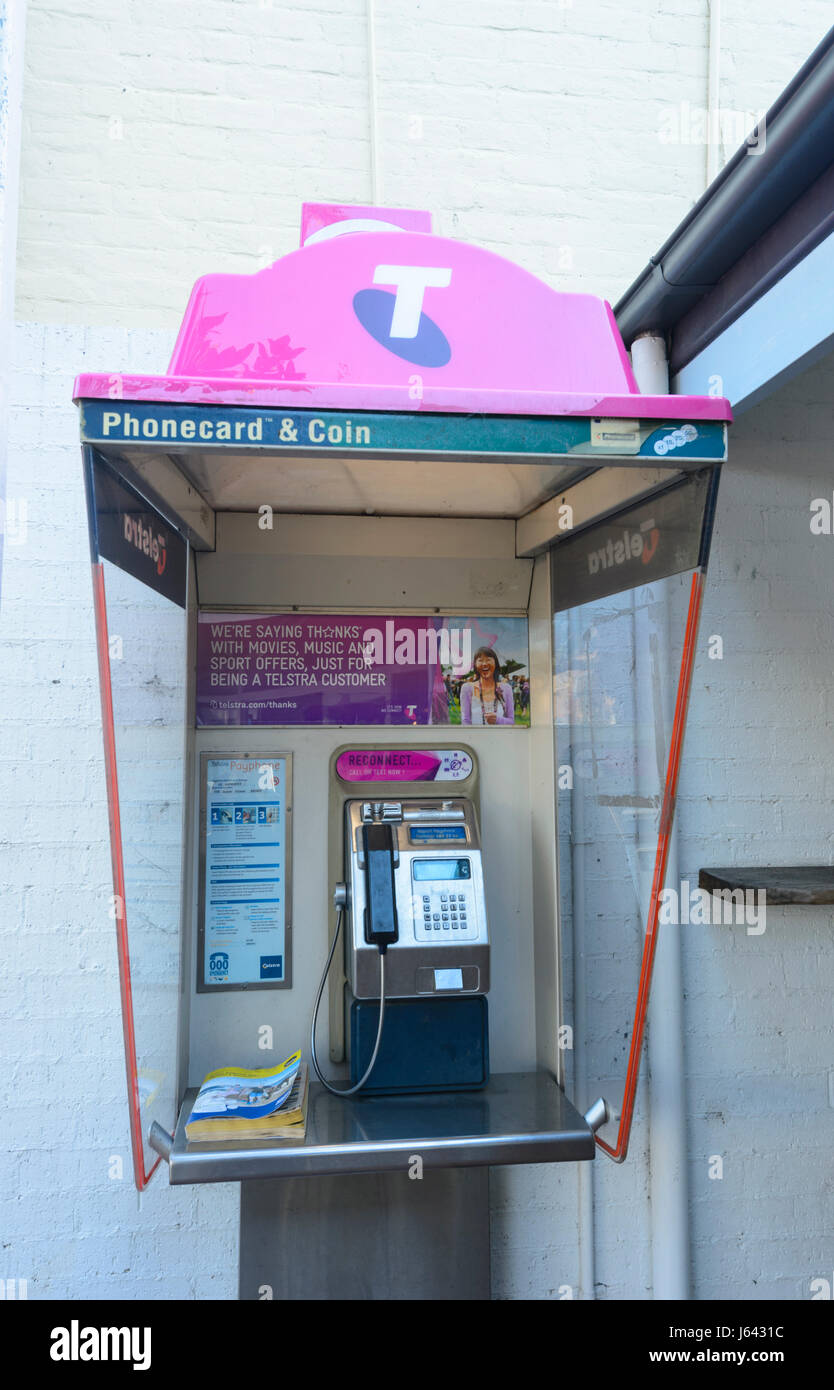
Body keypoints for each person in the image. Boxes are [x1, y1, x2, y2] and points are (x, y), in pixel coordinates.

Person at [460, 647, 515, 725]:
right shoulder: (467, 688)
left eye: (488, 659)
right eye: (480, 660)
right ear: (475, 665)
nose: (484, 664)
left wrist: (498, 720)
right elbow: (465, 721)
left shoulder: (506, 688)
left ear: (495, 663)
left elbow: (512, 722)